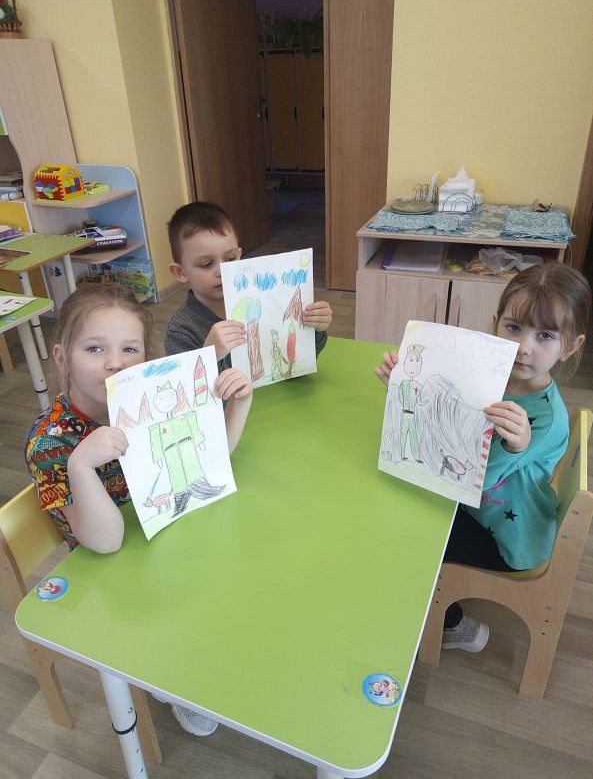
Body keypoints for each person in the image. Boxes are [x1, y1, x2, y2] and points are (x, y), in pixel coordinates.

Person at [25, 282, 253, 736]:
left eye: (129, 348)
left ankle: (203, 649)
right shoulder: (50, 442)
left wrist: (240, 403)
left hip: (166, 534)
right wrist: (82, 464)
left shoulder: (144, 400)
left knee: (235, 571)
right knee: (176, 616)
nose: (115, 362)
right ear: (62, 357)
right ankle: (168, 680)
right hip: (112, 573)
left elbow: (207, 461)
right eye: (95, 348)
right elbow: (107, 542)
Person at [375, 263, 590, 652]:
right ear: (495, 324)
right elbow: (445, 423)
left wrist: (514, 446)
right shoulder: (488, 375)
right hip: (479, 509)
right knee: (398, 506)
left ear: (570, 346)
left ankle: (458, 627)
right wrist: (405, 385)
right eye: (514, 327)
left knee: (410, 539)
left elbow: (472, 478)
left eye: (544, 335)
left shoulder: (546, 420)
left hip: (508, 539)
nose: (524, 346)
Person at [164, 201, 333, 367]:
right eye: (206, 264)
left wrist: (315, 328)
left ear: (239, 255)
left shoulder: (264, 303)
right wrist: (210, 355)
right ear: (181, 272)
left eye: (231, 259)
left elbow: (297, 362)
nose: (222, 271)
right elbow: (186, 384)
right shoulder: (181, 330)